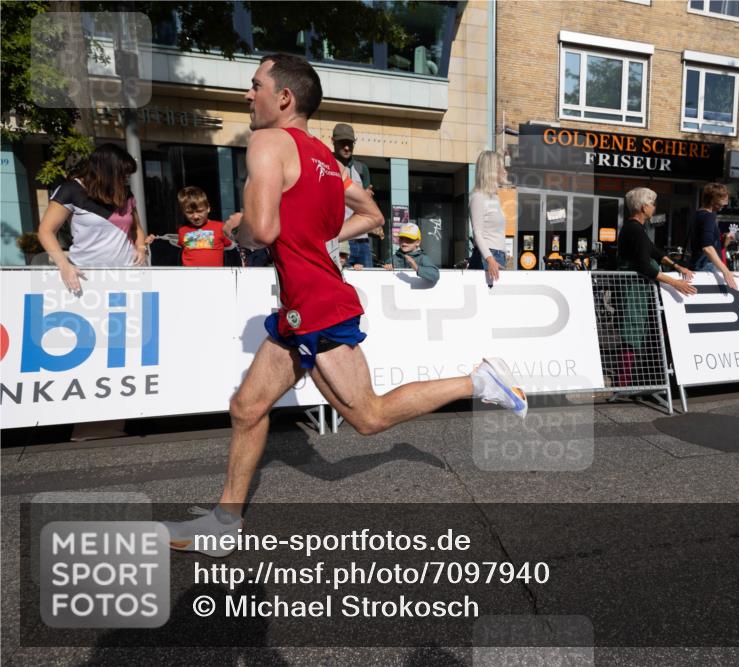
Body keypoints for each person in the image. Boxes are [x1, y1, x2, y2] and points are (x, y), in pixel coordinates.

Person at [164, 54, 527, 556]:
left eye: (255, 86)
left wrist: (235, 230)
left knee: (369, 418)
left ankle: (480, 380)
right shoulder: (328, 161)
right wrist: (317, 235)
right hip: (300, 308)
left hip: (317, 306)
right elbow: (374, 216)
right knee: (246, 407)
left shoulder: (268, 142)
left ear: (283, 98)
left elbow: (263, 230)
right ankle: (225, 522)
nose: (248, 96)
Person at [37, 143, 147, 294]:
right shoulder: (71, 190)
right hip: (85, 276)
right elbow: (46, 231)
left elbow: (136, 228)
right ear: (107, 171)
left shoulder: (125, 193)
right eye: (122, 174)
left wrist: (141, 248)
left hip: (127, 274)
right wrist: (63, 265)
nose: (125, 179)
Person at [616, 187, 696, 386]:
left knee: (639, 331)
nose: (654, 208)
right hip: (634, 289)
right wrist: (675, 282)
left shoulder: (635, 228)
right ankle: (623, 382)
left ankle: (632, 378)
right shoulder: (634, 229)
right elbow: (644, 264)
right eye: (652, 204)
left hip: (638, 288)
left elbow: (654, 251)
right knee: (632, 332)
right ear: (644, 207)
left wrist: (676, 265)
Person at [147, 186, 238, 267]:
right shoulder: (183, 231)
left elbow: (233, 245)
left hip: (214, 278)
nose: (195, 216)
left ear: (208, 208)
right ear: (183, 212)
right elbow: (171, 245)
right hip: (189, 278)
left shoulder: (220, 227)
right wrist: (155, 240)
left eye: (199, 211)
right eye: (190, 212)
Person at [332, 123, 377, 267]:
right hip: (339, 239)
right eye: (342, 143)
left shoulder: (361, 168)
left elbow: (368, 203)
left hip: (362, 239)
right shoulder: (326, 164)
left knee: (368, 284)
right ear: (333, 141)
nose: (347, 147)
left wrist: (366, 198)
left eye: (350, 143)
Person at [469, 150, 508, 286]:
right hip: (487, 257)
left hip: (496, 255)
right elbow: (477, 233)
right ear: (491, 170)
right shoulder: (478, 197)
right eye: (500, 167)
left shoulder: (494, 197)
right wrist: (490, 259)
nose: (504, 171)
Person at [689, 183, 738, 290]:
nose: (726, 203)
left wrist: (725, 240)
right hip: (707, 266)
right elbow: (707, 247)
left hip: (699, 264)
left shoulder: (698, 214)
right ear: (713, 200)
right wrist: (726, 271)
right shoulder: (709, 216)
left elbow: (709, 245)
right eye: (724, 199)